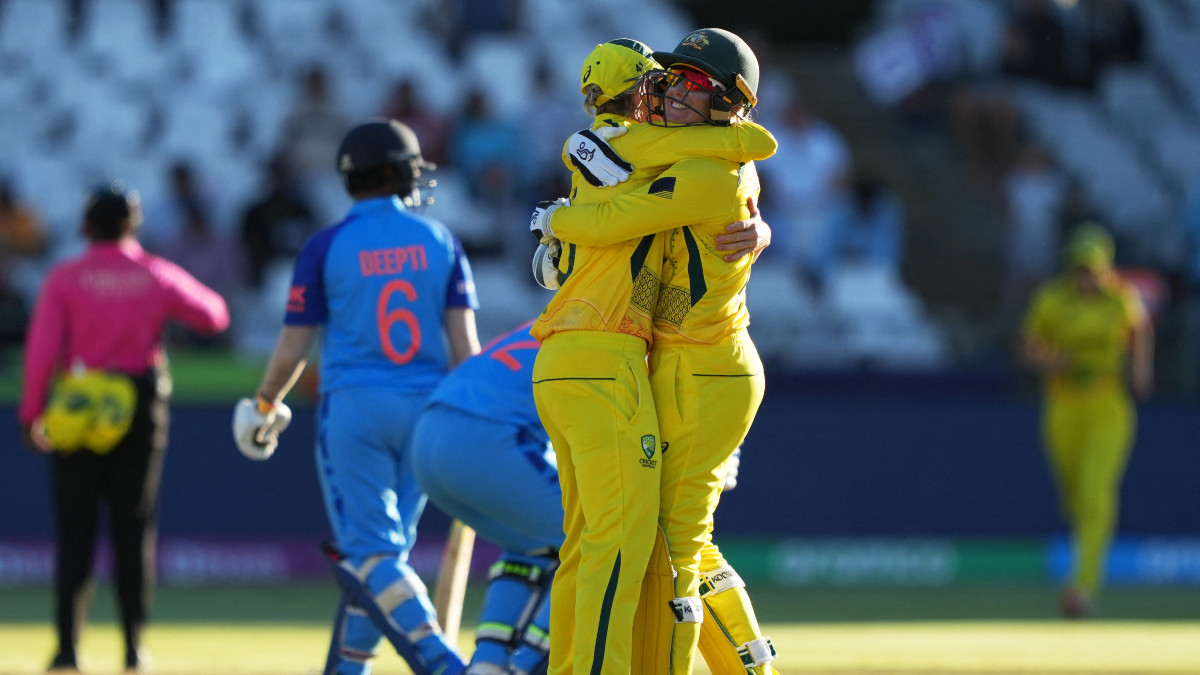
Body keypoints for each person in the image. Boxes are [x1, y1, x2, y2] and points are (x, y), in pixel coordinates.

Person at [532, 28, 780, 674]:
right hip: (676, 363)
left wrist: (554, 219)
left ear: (730, 102)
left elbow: (617, 217)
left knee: (671, 547)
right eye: (671, 79)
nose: (675, 92)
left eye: (695, 83)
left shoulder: (697, 165)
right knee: (674, 546)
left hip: (703, 366)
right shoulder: (662, 155)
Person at [231, 119, 480, 675]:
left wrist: (266, 403)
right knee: (382, 558)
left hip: (357, 411)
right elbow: (467, 351)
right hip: (429, 415)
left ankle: (444, 664)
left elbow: (295, 344)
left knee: (372, 556)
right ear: (399, 173)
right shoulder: (439, 240)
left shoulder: (326, 244)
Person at [18, 181, 230, 673]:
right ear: (133, 225)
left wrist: (32, 415)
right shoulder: (155, 273)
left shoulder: (65, 278)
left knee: (75, 533)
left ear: (87, 226)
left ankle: (68, 650)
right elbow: (214, 316)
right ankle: (135, 648)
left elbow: (41, 352)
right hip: (137, 405)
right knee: (133, 530)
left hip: (78, 410)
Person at [1018, 223, 1154, 618]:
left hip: (1107, 403)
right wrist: (1050, 361)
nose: (1083, 276)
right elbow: (1030, 346)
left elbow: (1140, 328)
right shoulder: (1052, 299)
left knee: (1096, 492)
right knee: (1073, 491)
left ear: (1104, 267)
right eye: (1077, 267)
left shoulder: (1120, 298)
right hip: (1063, 403)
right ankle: (1084, 560)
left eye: (1090, 268)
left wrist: (1141, 371)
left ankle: (1083, 586)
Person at [410, 321, 559, 675]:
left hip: (430, 433)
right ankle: (526, 665)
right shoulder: (617, 326)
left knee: (530, 543)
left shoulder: (553, 317)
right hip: (490, 438)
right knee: (607, 538)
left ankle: (488, 665)